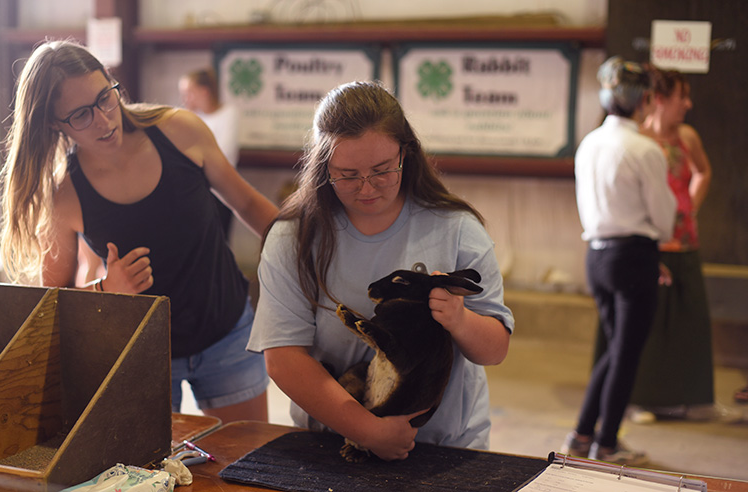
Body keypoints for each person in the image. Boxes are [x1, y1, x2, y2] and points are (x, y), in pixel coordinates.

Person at [0, 40, 279, 423]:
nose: (103, 120)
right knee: (154, 474)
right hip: (141, 351)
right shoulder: (63, 194)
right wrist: (104, 288)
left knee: (247, 464)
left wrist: (310, 257)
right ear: (53, 123)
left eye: (105, 98)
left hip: (226, 332)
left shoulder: (180, 130)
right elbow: (53, 300)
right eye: (81, 114)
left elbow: (247, 204)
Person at [246, 80, 513, 461]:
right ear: (323, 167)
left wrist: (460, 319)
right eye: (348, 174)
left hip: (445, 444)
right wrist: (367, 430)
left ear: (407, 154)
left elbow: (495, 349)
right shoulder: (294, 238)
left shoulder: (455, 228)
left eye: (383, 169)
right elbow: (284, 356)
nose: (367, 188)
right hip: (335, 439)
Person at [563, 56, 676, 465]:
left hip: (597, 257)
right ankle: (606, 444)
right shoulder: (645, 149)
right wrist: (650, 249)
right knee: (625, 355)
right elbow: (663, 219)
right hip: (633, 257)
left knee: (615, 349)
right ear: (645, 99)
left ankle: (581, 435)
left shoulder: (589, 143)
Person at [625, 67, 716, 422]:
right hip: (650, 243)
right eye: (682, 96)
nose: (688, 104)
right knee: (646, 323)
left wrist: (689, 207)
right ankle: (638, 398)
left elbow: (703, 172)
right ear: (660, 99)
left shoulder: (687, 137)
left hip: (685, 241)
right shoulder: (638, 139)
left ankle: (692, 398)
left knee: (690, 319)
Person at [178, 67, 240, 236]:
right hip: (197, 189)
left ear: (204, 92)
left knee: (220, 239)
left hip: (222, 188)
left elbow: (224, 154)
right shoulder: (190, 117)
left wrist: (195, 156)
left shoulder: (228, 114)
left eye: (189, 92)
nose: (184, 98)